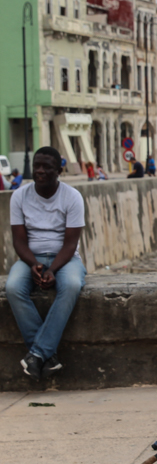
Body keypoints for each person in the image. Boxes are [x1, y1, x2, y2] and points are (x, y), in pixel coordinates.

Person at [6, 146, 86, 380]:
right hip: (31, 257)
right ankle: (45, 355)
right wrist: (34, 265)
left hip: (65, 258)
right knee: (12, 288)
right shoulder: (19, 195)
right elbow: (19, 241)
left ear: (59, 170)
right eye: (37, 166)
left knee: (71, 285)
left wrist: (52, 270)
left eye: (46, 167)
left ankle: (37, 353)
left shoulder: (72, 197)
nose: (40, 171)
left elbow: (71, 244)